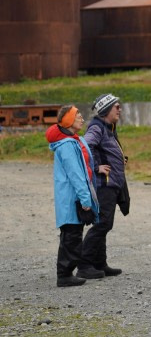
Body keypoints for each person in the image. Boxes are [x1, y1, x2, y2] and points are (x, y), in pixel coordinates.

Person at [47, 105, 99, 287]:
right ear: (69, 121)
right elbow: (76, 174)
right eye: (78, 115)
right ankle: (64, 274)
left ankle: (66, 273)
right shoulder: (68, 145)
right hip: (71, 198)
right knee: (71, 236)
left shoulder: (73, 141)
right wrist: (85, 199)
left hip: (71, 197)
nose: (82, 118)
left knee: (71, 234)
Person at [80, 93, 128, 279]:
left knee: (105, 224)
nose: (120, 110)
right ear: (106, 110)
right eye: (117, 107)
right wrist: (96, 167)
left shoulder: (108, 127)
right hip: (104, 185)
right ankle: (84, 264)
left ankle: (100, 263)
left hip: (112, 184)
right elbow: (85, 147)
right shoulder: (97, 127)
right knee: (102, 224)